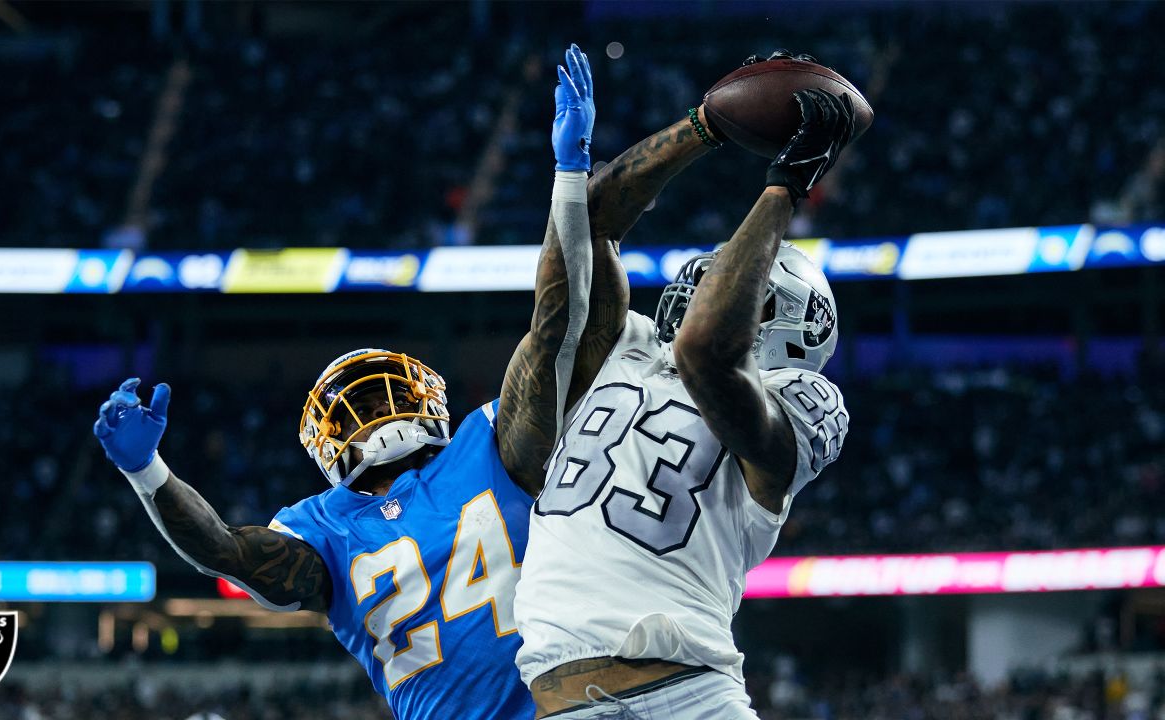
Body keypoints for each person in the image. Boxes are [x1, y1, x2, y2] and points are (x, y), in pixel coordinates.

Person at [91, 44, 599, 720]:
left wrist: (570, 176)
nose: (378, 411)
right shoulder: (323, 526)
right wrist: (147, 471)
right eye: (358, 405)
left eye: (384, 392)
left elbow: (554, 328)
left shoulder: (488, 441)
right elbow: (223, 549)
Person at [513, 52, 858, 718]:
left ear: (784, 320)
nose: (700, 283)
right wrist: (705, 126)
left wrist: (785, 186)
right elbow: (592, 229)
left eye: (730, 281)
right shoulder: (628, 349)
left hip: (688, 695)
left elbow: (707, 353)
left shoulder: (798, 398)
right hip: (563, 700)